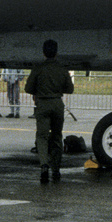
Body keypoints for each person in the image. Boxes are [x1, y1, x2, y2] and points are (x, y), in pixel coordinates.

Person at [25, 39, 74, 184]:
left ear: (43, 52)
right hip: (57, 104)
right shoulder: (62, 68)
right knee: (57, 136)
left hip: (43, 104)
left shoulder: (38, 68)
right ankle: (56, 169)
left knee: (42, 136)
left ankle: (44, 166)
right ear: (56, 53)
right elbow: (69, 89)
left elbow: (28, 88)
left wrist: (40, 90)